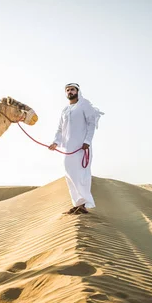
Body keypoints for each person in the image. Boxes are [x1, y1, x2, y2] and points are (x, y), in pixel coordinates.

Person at [49, 83, 104, 214]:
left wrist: (87, 141)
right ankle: (77, 203)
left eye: (72, 89)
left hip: (81, 147)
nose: (69, 92)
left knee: (81, 175)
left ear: (77, 91)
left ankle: (83, 204)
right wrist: (55, 142)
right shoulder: (65, 110)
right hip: (68, 148)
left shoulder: (84, 105)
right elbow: (60, 129)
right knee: (69, 174)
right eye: (67, 90)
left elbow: (91, 124)